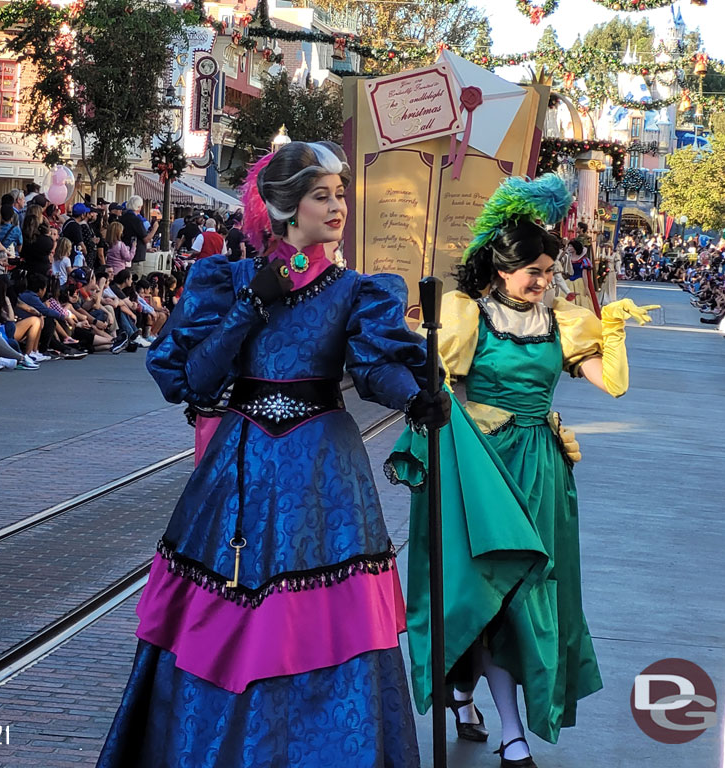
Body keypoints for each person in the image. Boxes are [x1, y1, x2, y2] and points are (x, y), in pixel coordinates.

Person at [97, 141, 448, 768]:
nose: (339, 205)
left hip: (324, 479)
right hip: (239, 477)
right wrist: (250, 306)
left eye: (342, 193)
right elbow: (196, 381)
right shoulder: (225, 282)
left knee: (324, 627)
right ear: (285, 207)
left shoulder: (357, 291)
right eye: (323, 195)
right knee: (231, 622)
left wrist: (418, 395)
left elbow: (373, 370)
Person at [388, 175, 658, 768]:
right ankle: (512, 734)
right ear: (499, 270)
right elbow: (441, 396)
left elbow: (612, 385)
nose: (542, 282)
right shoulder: (466, 318)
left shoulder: (562, 322)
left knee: (525, 597)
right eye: (532, 271)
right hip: (482, 474)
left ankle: (465, 693)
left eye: (548, 271)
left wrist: (611, 327)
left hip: (541, 472)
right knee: (490, 591)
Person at [120, 195, 158, 264]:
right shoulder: (136, 220)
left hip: (124, 253)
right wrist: (155, 228)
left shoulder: (122, 218)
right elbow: (146, 239)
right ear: (138, 207)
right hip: (136, 256)